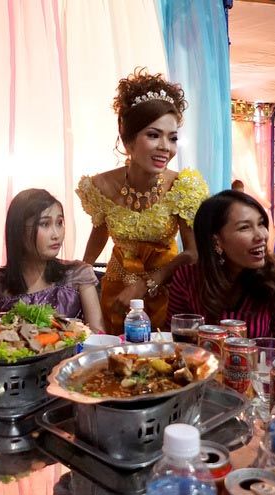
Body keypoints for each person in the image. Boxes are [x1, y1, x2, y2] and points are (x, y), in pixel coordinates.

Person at [77, 69, 208, 334]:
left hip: (168, 288)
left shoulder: (183, 185)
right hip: (117, 287)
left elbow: (193, 253)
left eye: (172, 138)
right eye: (153, 135)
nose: (165, 147)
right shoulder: (100, 186)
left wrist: (149, 282)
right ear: (128, 141)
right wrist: (81, 272)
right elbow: (100, 232)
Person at [167, 191, 275, 346]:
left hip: (259, 369)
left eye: (261, 223)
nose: (261, 236)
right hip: (199, 368)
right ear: (216, 240)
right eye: (245, 227)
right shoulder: (187, 278)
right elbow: (172, 341)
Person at [0, 189, 104, 332]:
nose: (56, 234)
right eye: (45, 224)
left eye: (60, 222)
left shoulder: (79, 273)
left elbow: (98, 336)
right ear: (19, 230)